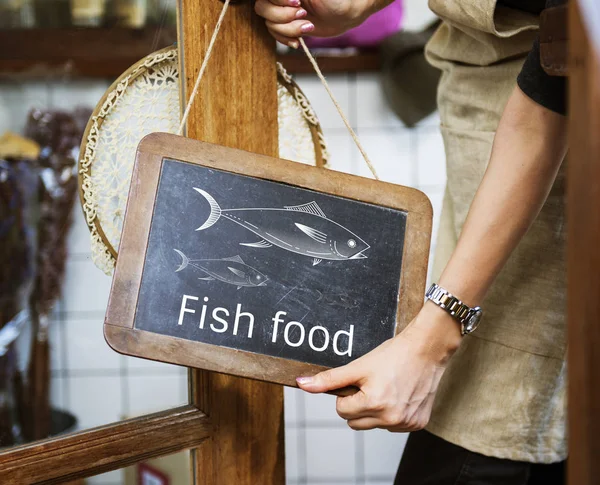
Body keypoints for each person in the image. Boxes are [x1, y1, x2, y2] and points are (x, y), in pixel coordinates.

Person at [254, 0, 568, 483]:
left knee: (498, 416)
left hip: (550, 156)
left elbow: (548, 104)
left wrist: (435, 336)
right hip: (491, 135)